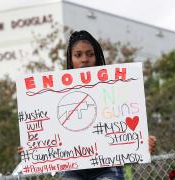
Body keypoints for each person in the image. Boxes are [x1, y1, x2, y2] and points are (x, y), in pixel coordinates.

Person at [18, 30, 157, 179]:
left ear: (97, 57)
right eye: (78, 55)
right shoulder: (54, 93)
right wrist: (33, 148)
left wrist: (143, 142)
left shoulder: (116, 85)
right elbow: (47, 127)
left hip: (108, 166)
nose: (84, 59)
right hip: (72, 167)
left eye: (90, 54)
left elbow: (126, 121)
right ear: (71, 59)